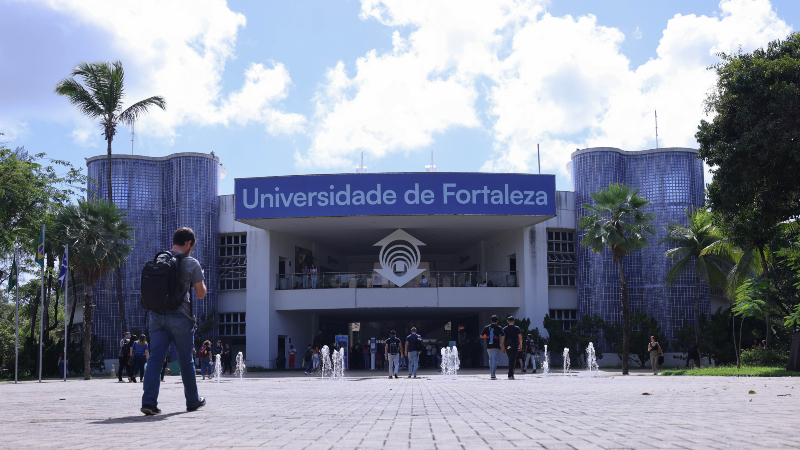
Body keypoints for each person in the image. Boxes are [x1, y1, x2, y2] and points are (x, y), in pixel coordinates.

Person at [140, 227, 207, 415]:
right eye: (192, 246)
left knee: (155, 360)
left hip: (156, 315)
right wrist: (201, 275)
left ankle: (149, 402)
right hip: (180, 318)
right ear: (188, 243)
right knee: (186, 361)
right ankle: (192, 401)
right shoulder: (191, 263)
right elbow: (201, 294)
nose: (192, 250)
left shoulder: (160, 259)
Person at [480, 315, 505, 379]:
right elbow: (503, 335)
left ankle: (491, 373)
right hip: (496, 346)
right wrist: (502, 344)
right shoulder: (499, 327)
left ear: (491, 320)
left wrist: (487, 336)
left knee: (490, 359)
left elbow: (481, 336)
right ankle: (493, 374)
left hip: (489, 346)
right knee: (494, 360)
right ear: (497, 320)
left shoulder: (487, 327)